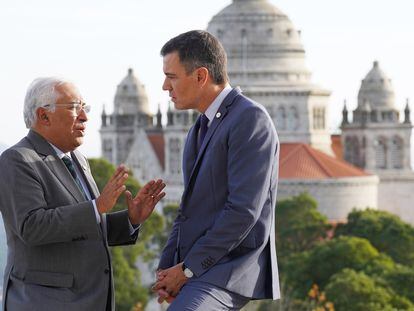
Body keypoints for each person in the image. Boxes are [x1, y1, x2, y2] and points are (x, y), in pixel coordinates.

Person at [0, 77, 165, 311]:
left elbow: (85, 228)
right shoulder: (18, 160)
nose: (85, 116)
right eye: (74, 108)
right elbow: (32, 227)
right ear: (43, 115)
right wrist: (96, 207)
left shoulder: (77, 159)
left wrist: (130, 219)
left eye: (84, 108)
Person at [153, 30, 280, 310]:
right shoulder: (198, 129)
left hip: (231, 269)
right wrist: (167, 269)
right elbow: (189, 211)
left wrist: (187, 270)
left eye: (171, 77)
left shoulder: (250, 119)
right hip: (200, 269)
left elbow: (242, 212)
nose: (164, 86)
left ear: (200, 76)